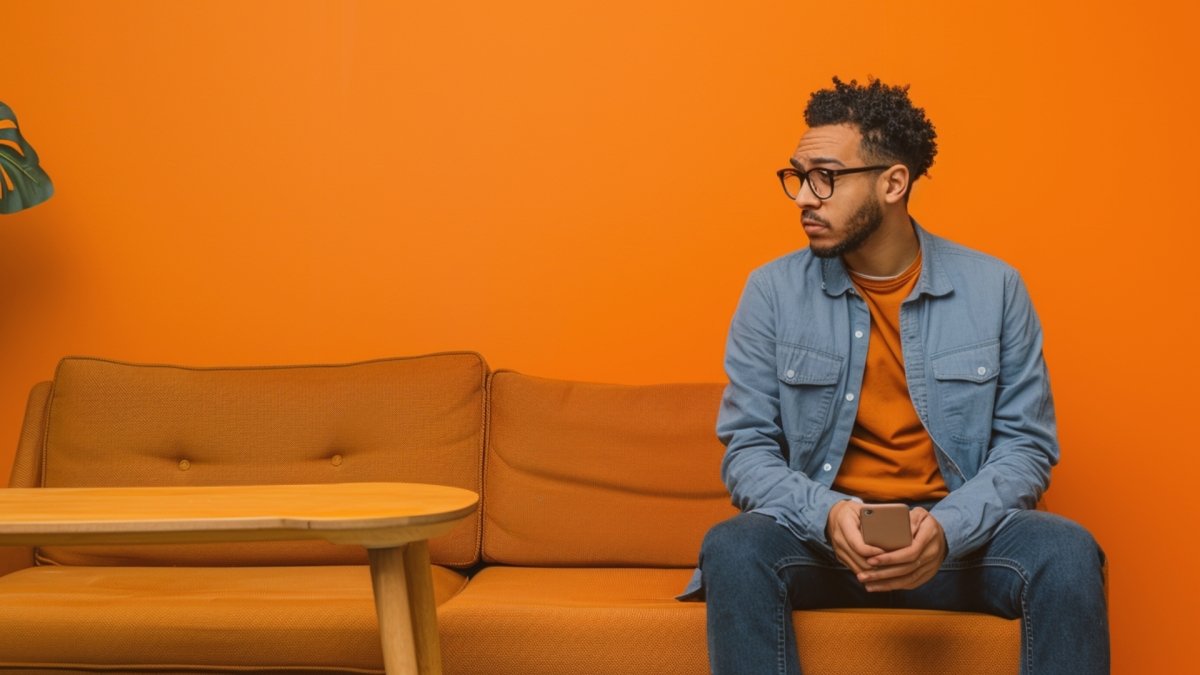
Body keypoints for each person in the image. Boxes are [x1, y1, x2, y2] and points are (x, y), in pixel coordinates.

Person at [684, 77, 1109, 674]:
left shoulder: (995, 289)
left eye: (826, 177)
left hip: (957, 543)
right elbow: (747, 450)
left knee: (1065, 550)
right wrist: (827, 517)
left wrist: (945, 529)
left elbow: (1026, 448)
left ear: (893, 182)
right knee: (733, 545)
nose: (806, 196)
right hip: (823, 544)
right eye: (798, 177)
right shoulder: (773, 292)